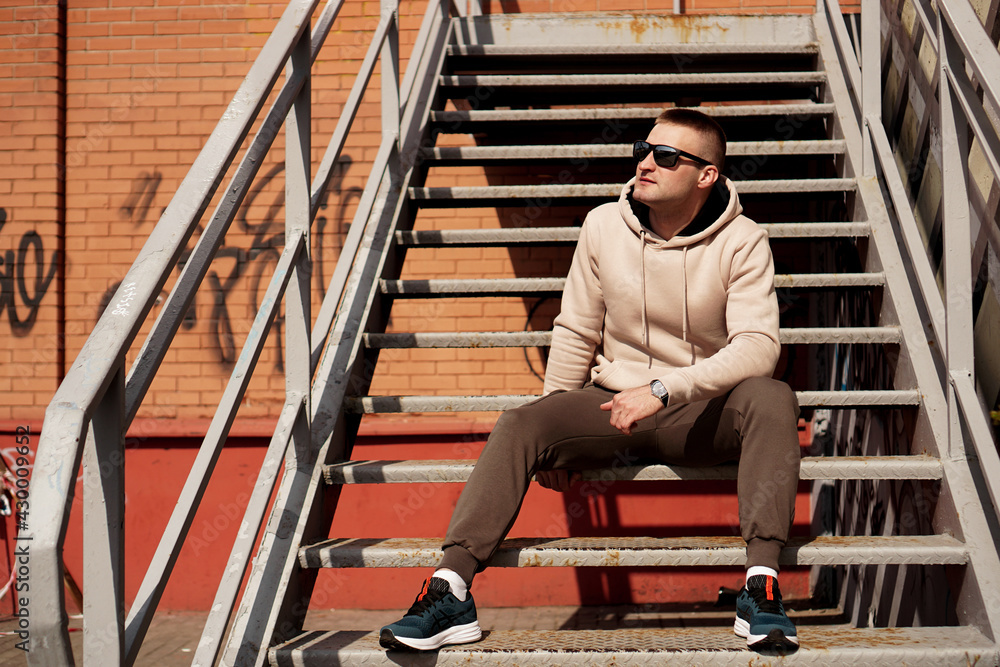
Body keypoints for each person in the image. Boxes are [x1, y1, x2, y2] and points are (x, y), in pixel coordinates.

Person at [379, 108, 802, 653]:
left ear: (706, 175)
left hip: (703, 409)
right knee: (521, 423)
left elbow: (759, 347)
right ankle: (450, 589)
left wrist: (665, 390)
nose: (646, 163)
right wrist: (556, 434)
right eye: (643, 151)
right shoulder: (603, 225)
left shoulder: (743, 240)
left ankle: (761, 588)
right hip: (613, 406)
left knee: (772, 396)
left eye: (666, 156)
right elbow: (577, 328)